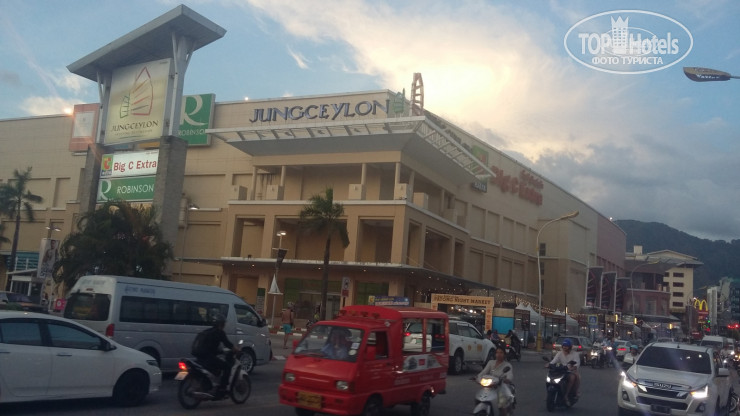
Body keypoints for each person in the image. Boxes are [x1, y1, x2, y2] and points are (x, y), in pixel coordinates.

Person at [193, 313, 238, 394]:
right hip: (209, 357)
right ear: (221, 324)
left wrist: (221, 351)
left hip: (200, 357)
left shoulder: (207, 331)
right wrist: (236, 349)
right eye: (224, 323)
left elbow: (212, 347)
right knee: (227, 367)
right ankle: (222, 388)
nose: (224, 325)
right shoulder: (220, 332)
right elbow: (227, 344)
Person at [476, 345, 514, 415]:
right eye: (497, 352)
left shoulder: (507, 365)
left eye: (501, 353)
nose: (499, 354)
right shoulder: (491, 362)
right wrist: (478, 378)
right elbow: (483, 372)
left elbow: (510, 375)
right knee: (480, 396)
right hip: (490, 385)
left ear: (504, 354)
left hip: (501, 386)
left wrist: (507, 379)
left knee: (502, 403)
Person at [547, 338, 580, 406]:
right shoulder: (559, 353)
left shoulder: (575, 354)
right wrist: (548, 364)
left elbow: (576, 364)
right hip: (560, 370)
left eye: (566, 346)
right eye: (564, 346)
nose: (565, 347)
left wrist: (572, 367)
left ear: (570, 347)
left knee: (572, 377)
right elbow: (554, 361)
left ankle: (566, 395)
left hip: (570, 371)